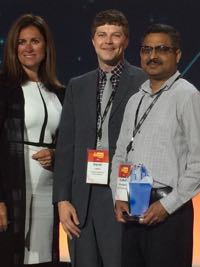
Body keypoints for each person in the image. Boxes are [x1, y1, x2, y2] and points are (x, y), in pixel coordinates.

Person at [53, 9, 146, 267]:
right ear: (92, 41)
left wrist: (139, 202)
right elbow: (66, 146)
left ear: (126, 41)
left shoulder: (143, 82)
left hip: (122, 195)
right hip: (82, 199)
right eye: (101, 35)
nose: (108, 41)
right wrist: (62, 200)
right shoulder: (77, 85)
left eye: (115, 35)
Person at [111, 23, 200, 267]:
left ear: (177, 55)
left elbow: (198, 162)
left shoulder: (187, 95)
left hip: (169, 213)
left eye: (161, 49)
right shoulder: (135, 100)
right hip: (133, 207)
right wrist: (118, 195)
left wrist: (166, 206)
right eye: (146, 49)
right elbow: (120, 154)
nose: (152, 56)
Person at [0, 14, 64, 267]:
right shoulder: (4, 87)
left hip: (49, 192)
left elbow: (68, 143)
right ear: (13, 48)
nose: (28, 48)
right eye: (21, 42)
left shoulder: (60, 92)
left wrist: (57, 155)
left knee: (43, 257)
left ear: (46, 46)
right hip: (14, 188)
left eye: (35, 41)